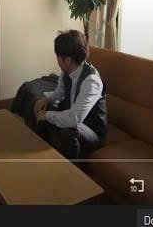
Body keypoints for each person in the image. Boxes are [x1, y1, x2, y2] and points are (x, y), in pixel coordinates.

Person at [31, 30, 108, 161]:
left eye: (58, 57)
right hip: (75, 119)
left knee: (69, 128)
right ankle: (41, 157)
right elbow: (59, 92)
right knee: (44, 107)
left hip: (92, 132)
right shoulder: (68, 70)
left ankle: (71, 170)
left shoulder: (91, 81)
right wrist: (45, 99)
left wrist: (47, 115)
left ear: (67, 60)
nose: (57, 60)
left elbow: (74, 119)